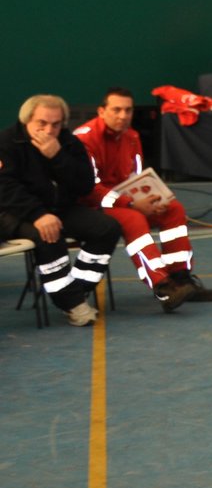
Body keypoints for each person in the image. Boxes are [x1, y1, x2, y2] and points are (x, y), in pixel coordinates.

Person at [74, 87, 212, 311]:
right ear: (101, 111)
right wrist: (131, 203)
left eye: (128, 110)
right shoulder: (84, 139)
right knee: (134, 219)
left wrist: (153, 198)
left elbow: (137, 178)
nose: (123, 116)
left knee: (173, 209)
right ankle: (163, 286)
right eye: (116, 110)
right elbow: (89, 189)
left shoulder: (132, 137)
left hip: (123, 200)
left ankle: (180, 278)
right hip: (92, 205)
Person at [0, 95, 121, 326]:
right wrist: (38, 215)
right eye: (42, 123)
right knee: (48, 234)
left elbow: (85, 185)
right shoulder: (5, 143)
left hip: (59, 209)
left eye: (56, 124)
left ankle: (78, 289)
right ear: (27, 120)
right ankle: (73, 304)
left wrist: (57, 157)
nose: (49, 130)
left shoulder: (68, 143)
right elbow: (5, 189)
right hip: (13, 213)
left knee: (107, 228)